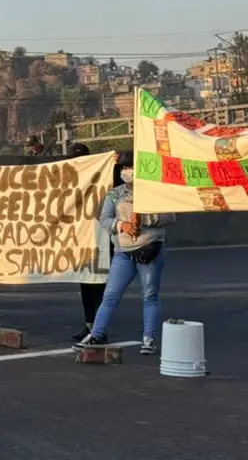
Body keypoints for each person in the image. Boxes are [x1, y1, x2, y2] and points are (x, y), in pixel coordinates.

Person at [74, 151, 174, 356]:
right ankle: (96, 334)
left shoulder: (154, 191)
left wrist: (145, 219)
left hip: (149, 249)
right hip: (123, 252)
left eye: (131, 167)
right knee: (110, 296)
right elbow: (104, 219)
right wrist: (122, 225)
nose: (127, 171)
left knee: (150, 295)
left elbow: (170, 217)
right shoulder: (114, 194)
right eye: (124, 168)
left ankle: (149, 338)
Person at [67, 143, 113, 342]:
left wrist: (114, 163)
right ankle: (89, 326)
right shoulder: (69, 179)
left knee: (99, 287)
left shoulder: (104, 173)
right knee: (85, 285)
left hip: (101, 239)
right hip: (81, 240)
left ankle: (100, 329)